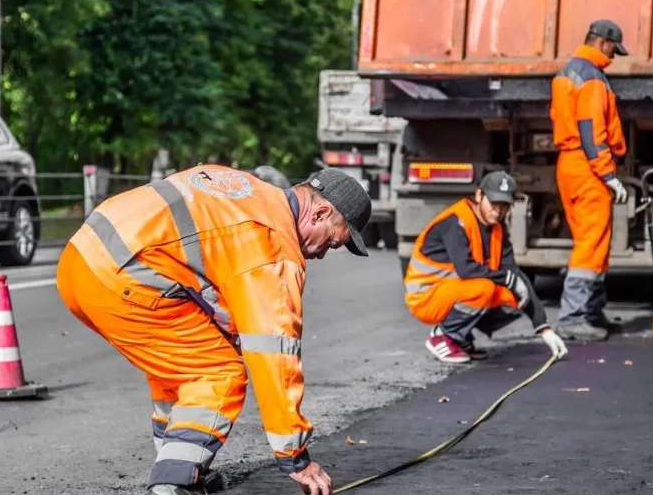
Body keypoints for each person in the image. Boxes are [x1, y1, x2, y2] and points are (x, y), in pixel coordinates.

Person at [56, 164, 372, 495]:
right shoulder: (276, 247)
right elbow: (275, 356)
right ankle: (171, 484)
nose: (323, 254)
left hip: (81, 257)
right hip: (122, 276)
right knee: (220, 374)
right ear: (321, 213)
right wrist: (295, 456)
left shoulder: (248, 190)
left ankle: (178, 461)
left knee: (183, 367)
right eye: (334, 242)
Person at [402, 170, 568, 364]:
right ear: (479, 196)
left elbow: (513, 273)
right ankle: (444, 335)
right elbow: (466, 270)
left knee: (516, 294)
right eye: (494, 203)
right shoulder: (457, 222)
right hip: (426, 296)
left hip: (453, 289)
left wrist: (542, 326)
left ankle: (461, 337)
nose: (498, 211)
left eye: (504, 206)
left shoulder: (497, 229)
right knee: (484, 288)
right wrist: (506, 279)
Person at [550, 19, 629, 341]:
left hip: (569, 165)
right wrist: (609, 175)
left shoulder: (567, 72)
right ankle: (572, 318)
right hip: (588, 168)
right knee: (591, 243)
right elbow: (591, 130)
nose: (613, 57)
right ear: (604, 43)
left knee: (589, 239)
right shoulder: (593, 78)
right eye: (613, 51)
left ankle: (591, 313)